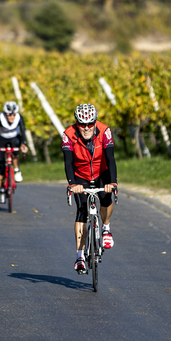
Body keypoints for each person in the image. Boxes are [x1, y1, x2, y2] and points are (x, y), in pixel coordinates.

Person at [62, 102, 117, 274]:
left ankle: (106, 229)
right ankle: (80, 257)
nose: (86, 128)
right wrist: (72, 184)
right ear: (77, 123)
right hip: (80, 175)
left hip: (102, 172)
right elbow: (68, 162)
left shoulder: (105, 131)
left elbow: (111, 158)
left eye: (90, 124)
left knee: (106, 198)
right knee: (81, 211)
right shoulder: (68, 135)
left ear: (95, 122)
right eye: (82, 124)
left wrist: (113, 182)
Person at [0, 100, 28, 203]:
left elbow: (23, 130)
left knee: (16, 151)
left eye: (13, 115)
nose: (11, 117)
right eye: (9, 115)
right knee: (1, 165)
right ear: (5, 114)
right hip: (2, 139)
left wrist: (24, 144)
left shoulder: (19, 117)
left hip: (14, 138)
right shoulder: (0, 117)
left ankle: (17, 170)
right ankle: (0, 190)